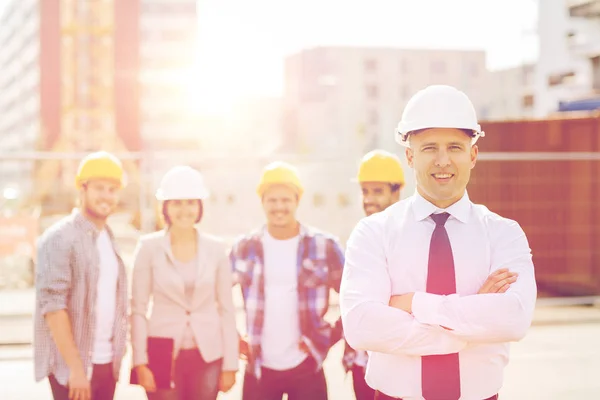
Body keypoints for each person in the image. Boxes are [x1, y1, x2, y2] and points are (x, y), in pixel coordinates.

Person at [339, 85, 537, 400]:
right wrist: (470, 325)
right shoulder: (373, 232)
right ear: (409, 155)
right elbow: (361, 325)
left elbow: (512, 319)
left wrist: (416, 304)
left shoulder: (504, 233)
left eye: (455, 147)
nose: (443, 161)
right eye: (430, 148)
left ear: (473, 155)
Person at [230, 161, 345, 400]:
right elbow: (214, 298)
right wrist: (232, 338)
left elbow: (354, 297)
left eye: (286, 200)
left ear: (297, 201)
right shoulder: (244, 247)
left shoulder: (324, 246)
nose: (279, 207)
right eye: (272, 200)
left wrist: (328, 336)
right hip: (258, 366)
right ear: (262, 202)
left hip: (307, 366)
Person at [130, 165, 238, 400]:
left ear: (200, 206)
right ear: (165, 207)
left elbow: (227, 309)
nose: (184, 210)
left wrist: (231, 363)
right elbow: (137, 310)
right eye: (176, 203)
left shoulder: (216, 249)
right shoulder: (148, 248)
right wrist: (140, 362)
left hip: (208, 354)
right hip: (160, 352)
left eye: (191, 202)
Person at [34, 151, 129, 400]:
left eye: (112, 189)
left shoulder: (108, 237)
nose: (106, 196)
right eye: (99, 188)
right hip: (73, 369)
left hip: (106, 363)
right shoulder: (60, 238)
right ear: (82, 189)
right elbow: (53, 308)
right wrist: (76, 368)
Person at [342, 149, 405, 400]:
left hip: (400, 362)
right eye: (365, 191)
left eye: (377, 191)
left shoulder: (411, 235)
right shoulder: (360, 237)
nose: (369, 199)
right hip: (362, 362)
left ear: (396, 192)